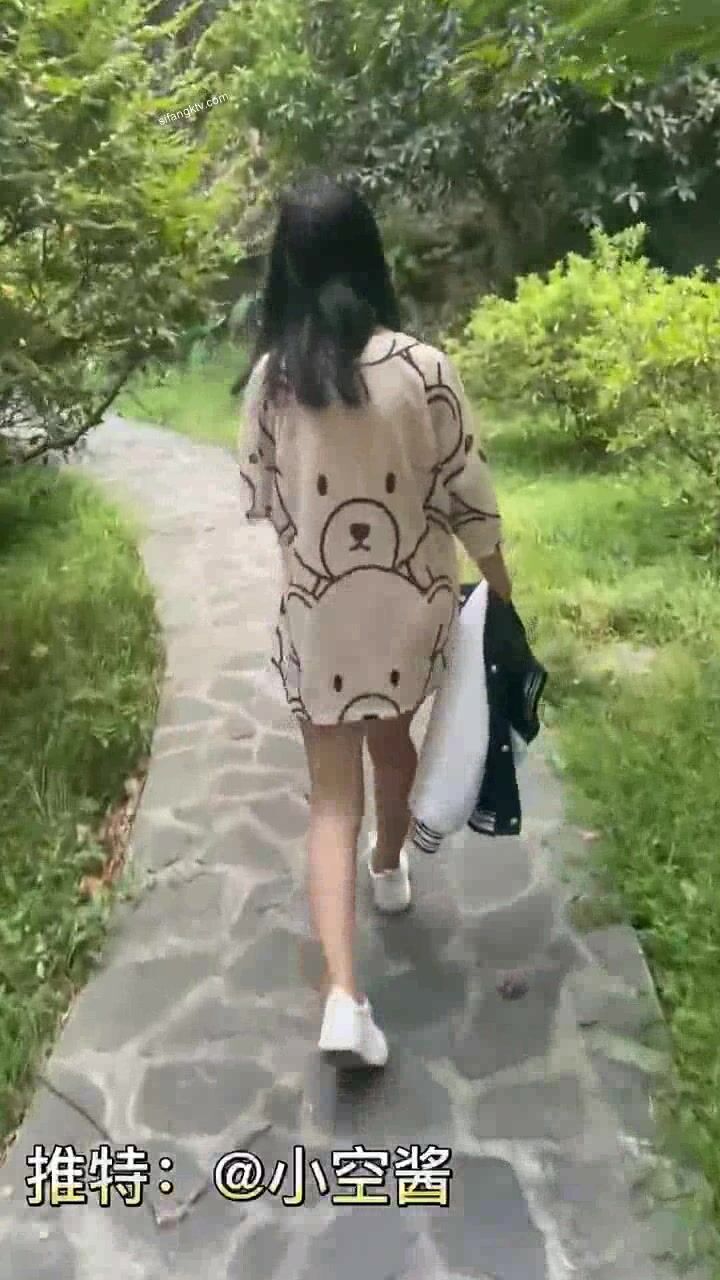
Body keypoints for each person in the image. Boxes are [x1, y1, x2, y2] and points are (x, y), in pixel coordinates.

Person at [236, 173, 512, 1069]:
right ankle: (389, 866)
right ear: (369, 254)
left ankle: (343, 998)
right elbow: (470, 496)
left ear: (286, 265)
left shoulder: (271, 383)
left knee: (329, 798)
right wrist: (501, 592)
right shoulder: (424, 369)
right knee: (394, 746)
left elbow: (260, 501)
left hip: (320, 621)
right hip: (408, 613)